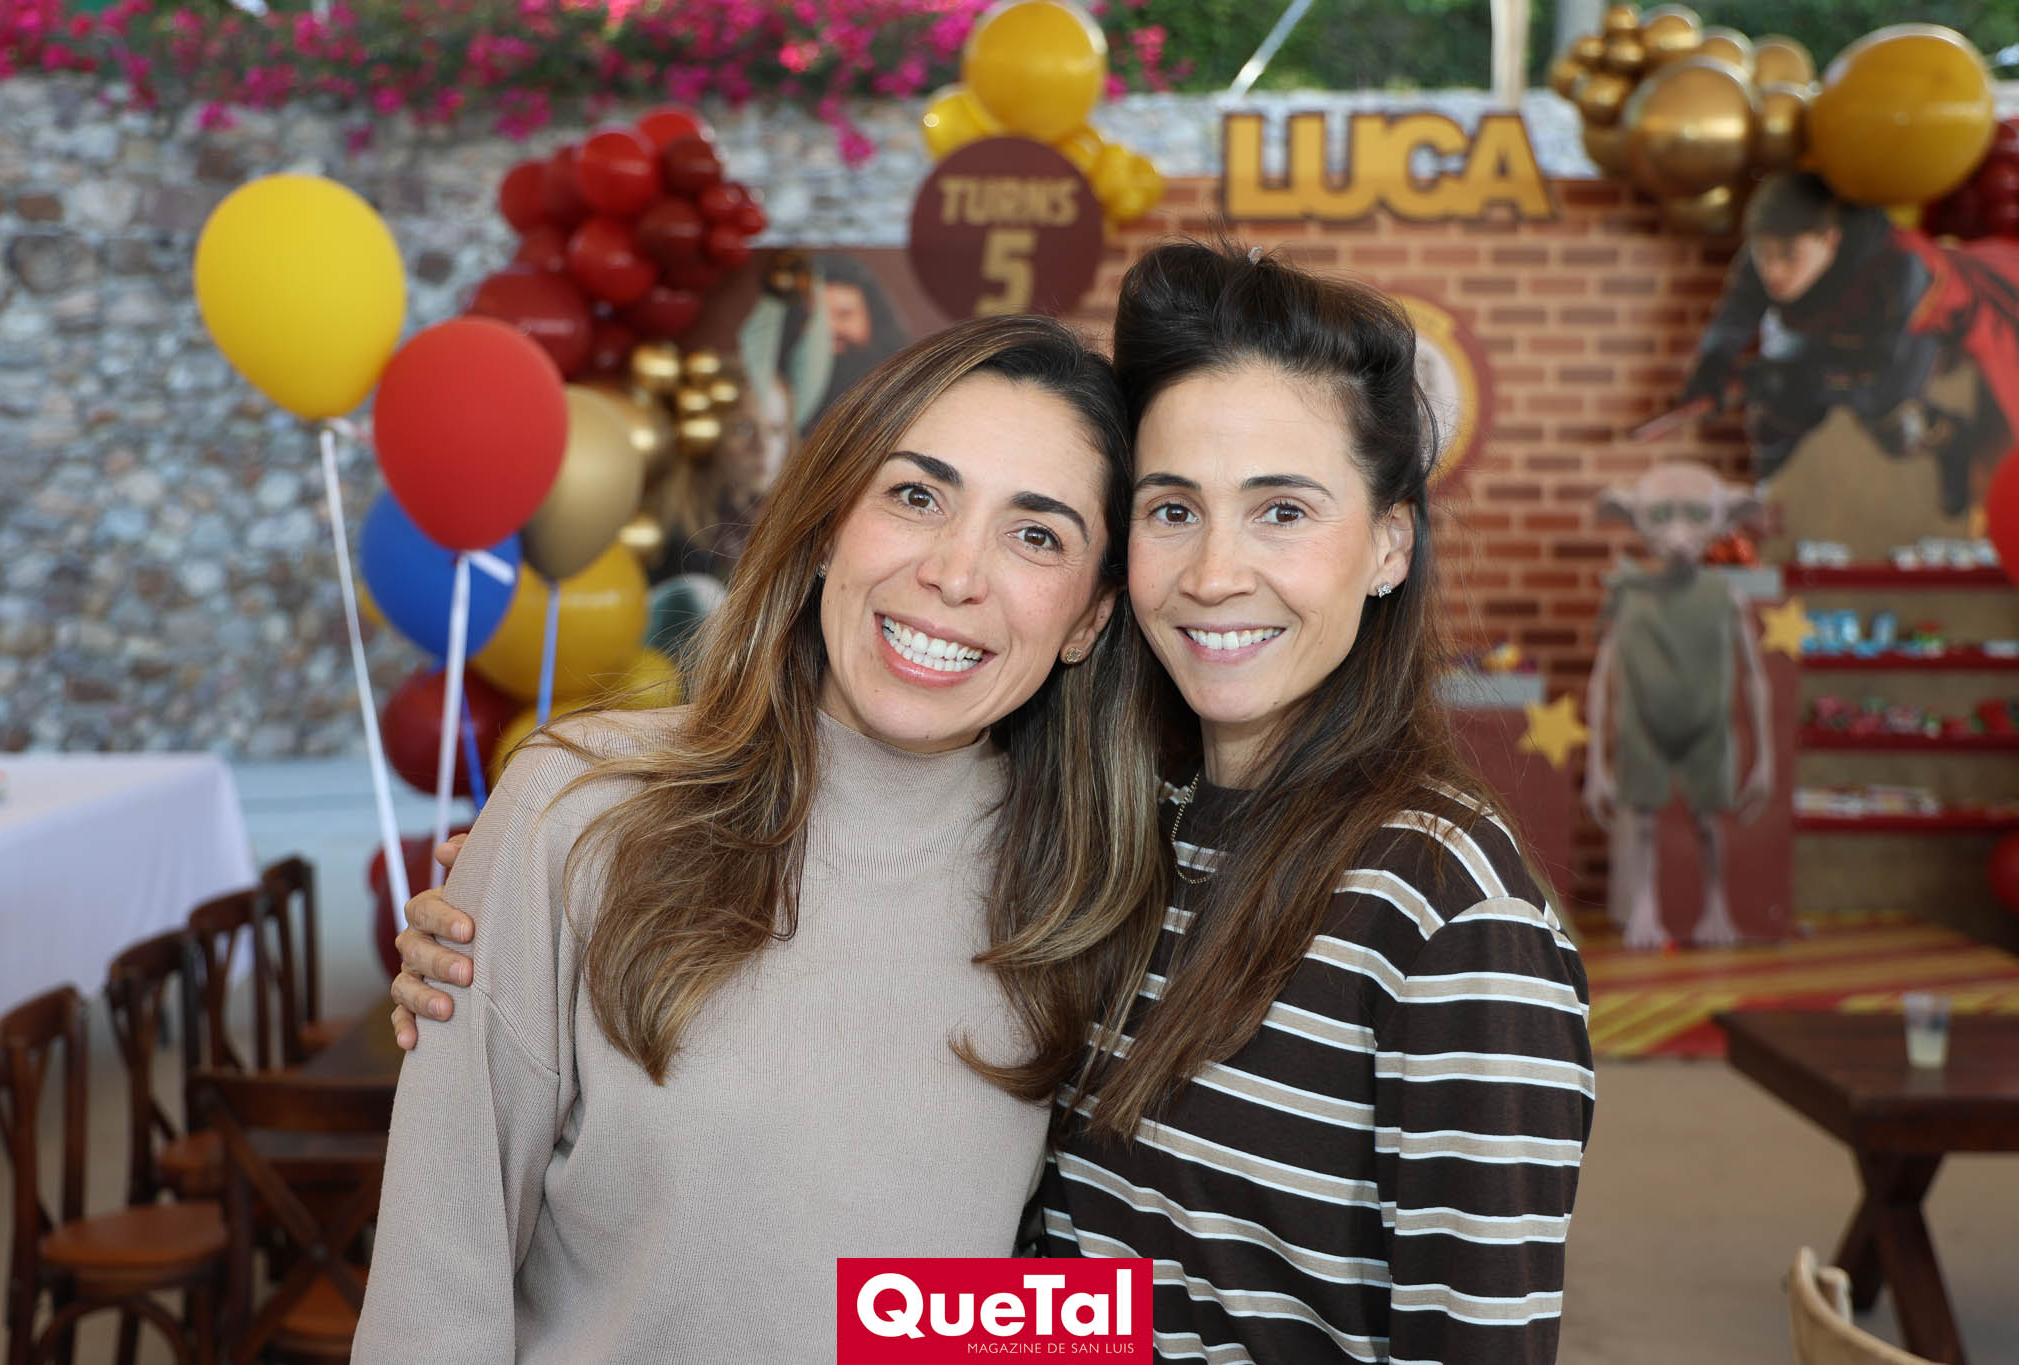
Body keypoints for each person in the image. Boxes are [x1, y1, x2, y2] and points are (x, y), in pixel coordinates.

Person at [390, 241, 1594, 1363]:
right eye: (1173, 511)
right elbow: (1058, 1295)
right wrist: (514, 930)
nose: (1216, 570)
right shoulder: (1129, 852)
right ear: (825, 522)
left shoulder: (1436, 912)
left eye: (1281, 510)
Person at [353, 312, 1166, 1363]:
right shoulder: (579, 811)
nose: (956, 572)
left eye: (1036, 535)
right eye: (916, 496)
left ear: (1089, 620)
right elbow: (433, 1298)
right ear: (828, 525)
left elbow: (1027, 1300)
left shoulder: (1100, 891)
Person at [1655, 171, 2019, 517]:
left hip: (1914, 330)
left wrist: (1808, 380)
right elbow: (1735, 318)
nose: (1774, 271)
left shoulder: (1901, 266)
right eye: (1764, 254)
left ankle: (1954, 440)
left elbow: (1878, 378)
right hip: (1830, 326)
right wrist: (1711, 367)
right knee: (1778, 408)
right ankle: (1757, 491)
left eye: (1789, 255)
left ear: (1830, 239)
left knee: (1896, 424)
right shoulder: (1764, 256)